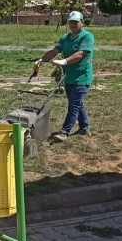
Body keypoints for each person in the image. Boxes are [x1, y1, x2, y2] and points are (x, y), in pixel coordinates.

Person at [36, 10, 95, 142]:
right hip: (69, 77)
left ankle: (64, 132)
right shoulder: (65, 38)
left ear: (82, 22)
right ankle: (84, 128)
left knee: (74, 105)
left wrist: (65, 61)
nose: (73, 25)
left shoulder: (87, 37)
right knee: (77, 104)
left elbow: (81, 54)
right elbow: (55, 50)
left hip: (82, 77)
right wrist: (41, 60)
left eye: (75, 22)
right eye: (71, 22)